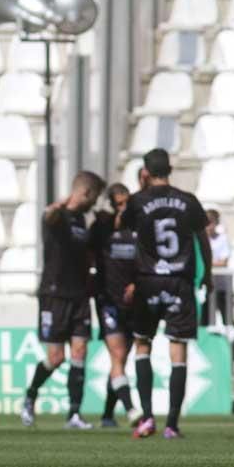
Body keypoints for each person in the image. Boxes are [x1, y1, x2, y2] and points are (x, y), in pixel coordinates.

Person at [121, 149, 212, 440]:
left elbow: (124, 236)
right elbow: (202, 239)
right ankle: (172, 424)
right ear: (170, 169)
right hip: (179, 282)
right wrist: (206, 273)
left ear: (145, 172)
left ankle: (147, 418)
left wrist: (128, 280)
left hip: (147, 281)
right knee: (178, 350)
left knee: (142, 345)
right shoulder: (188, 201)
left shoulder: (138, 201)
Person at [20, 171, 106, 430]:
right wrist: (55, 207)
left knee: (80, 352)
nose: (95, 202)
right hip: (54, 294)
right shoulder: (58, 217)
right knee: (56, 357)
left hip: (79, 295)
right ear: (86, 193)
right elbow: (49, 217)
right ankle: (30, 396)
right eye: (95, 197)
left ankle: (74, 414)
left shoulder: (81, 219)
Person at [89, 183, 137, 428]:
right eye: (119, 204)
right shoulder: (102, 229)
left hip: (134, 304)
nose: (124, 208)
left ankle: (108, 415)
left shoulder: (138, 229)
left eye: (126, 203)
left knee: (121, 360)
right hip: (108, 301)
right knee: (117, 356)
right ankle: (131, 410)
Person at [206, 209, 233, 326]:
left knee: (226, 317)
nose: (208, 226)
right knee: (204, 319)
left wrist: (207, 263)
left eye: (211, 222)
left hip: (221, 286)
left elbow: (223, 262)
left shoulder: (223, 239)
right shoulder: (198, 240)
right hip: (205, 286)